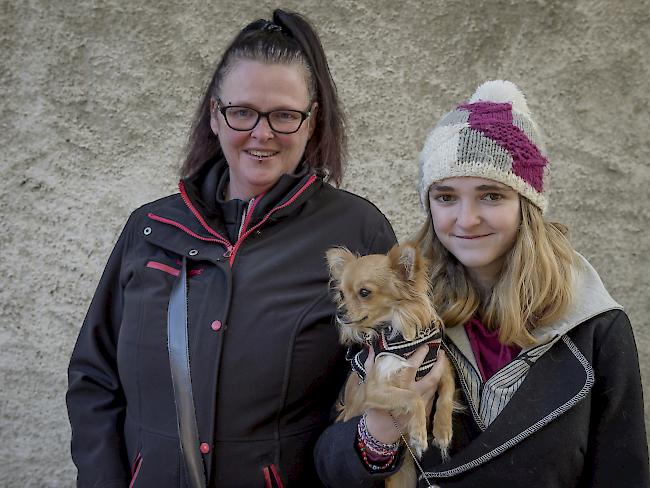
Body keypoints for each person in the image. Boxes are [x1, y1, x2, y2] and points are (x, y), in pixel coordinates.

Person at [66, 9, 396, 488]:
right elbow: (94, 377)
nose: (261, 134)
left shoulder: (356, 232)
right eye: (242, 112)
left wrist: (371, 447)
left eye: (284, 115)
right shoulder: (150, 227)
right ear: (215, 117)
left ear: (311, 121)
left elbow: (388, 371)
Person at [315, 80, 649, 487]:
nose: (467, 218)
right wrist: (378, 435)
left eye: (491, 196)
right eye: (446, 196)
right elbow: (330, 465)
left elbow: (623, 470)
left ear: (528, 205)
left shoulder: (595, 324)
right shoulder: (399, 313)